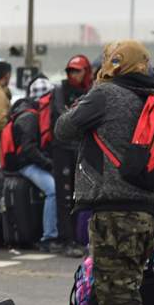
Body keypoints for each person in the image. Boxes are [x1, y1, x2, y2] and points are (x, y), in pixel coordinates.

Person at [54, 40, 154, 305]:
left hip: (115, 207)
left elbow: (63, 129)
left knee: (115, 289)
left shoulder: (104, 94)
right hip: (147, 206)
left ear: (113, 62)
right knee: (130, 285)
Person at [49, 55, 95, 257]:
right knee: (64, 196)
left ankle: (78, 237)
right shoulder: (60, 89)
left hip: (82, 150)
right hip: (62, 149)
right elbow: (63, 117)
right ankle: (65, 239)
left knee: (82, 196)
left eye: (78, 70)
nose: (73, 75)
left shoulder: (92, 91)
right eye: (71, 71)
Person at [14, 76, 61, 251]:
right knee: (53, 190)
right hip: (25, 165)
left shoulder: (31, 113)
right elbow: (28, 150)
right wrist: (49, 164)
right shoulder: (30, 117)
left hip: (29, 162)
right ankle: (49, 237)